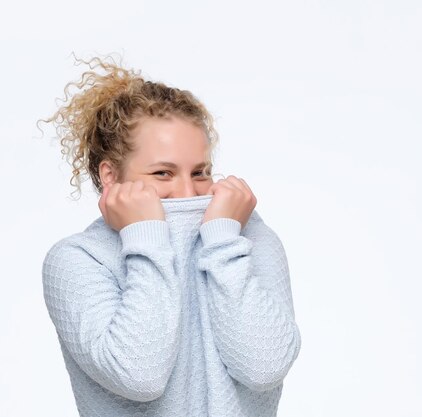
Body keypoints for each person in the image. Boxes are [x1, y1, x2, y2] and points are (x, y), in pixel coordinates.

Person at [40, 55, 301, 417]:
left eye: (200, 172)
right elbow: (140, 375)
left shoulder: (246, 238)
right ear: (111, 177)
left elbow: (264, 368)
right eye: (163, 173)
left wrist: (224, 241)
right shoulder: (78, 259)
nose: (187, 194)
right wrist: (144, 237)